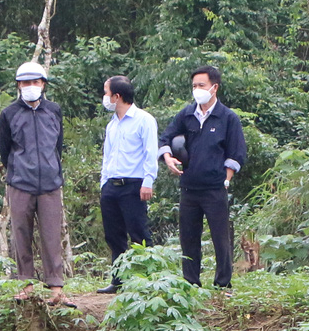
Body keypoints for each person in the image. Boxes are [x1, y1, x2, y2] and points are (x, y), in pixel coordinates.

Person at [161, 65, 248, 287]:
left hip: (215, 188)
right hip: (189, 188)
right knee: (189, 239)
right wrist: (168, 157)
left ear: (214, 87)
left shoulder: (228, 118)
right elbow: (165, 138)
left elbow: (236, 153)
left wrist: (226, 179)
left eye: (202, 85)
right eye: (194, 86)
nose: (197, 89)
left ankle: (223, 284)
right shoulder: (186, 115)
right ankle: (190, 283)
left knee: (221, 239)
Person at [0, 60, 68, 304]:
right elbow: (5, 150)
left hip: (50, 183)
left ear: (43, 84)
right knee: (21, 234)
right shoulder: (9, 114)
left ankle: (56, 287)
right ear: (18, 85)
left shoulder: (54, 110)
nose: (31, 86)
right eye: (26, 82)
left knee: (51, 235)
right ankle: (25, 283)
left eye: (35, 82)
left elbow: (58, 146)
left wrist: (52, 170)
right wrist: (17, 172)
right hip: (20, 183)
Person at [96, 75, 157, 293]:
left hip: (134, 184)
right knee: (114, 235)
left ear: (117, 96)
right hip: (111, 185)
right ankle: (119, 279)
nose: (105, 97)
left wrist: (148, 180)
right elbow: (108, 156)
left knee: (138, 233)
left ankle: (148, 279)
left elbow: (151, 152)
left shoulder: (144, 120)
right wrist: (104, 183)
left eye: (106, 92)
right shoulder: (112, 124)